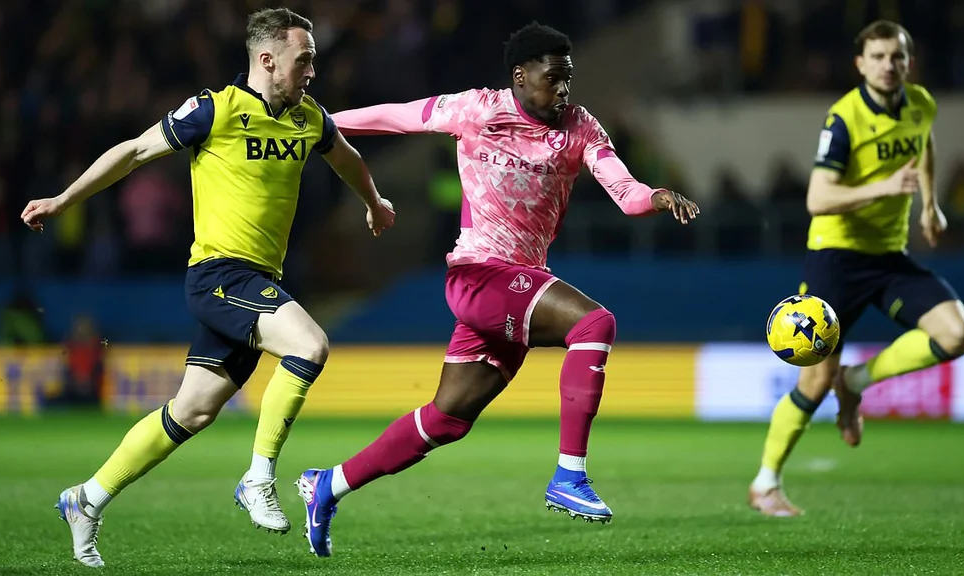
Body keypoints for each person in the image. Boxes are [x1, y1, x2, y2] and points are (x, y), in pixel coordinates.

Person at [294, 22, 699, 557]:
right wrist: (317, 123)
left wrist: (656, 194)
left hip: (517, 284)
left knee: (447, 419)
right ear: (520, 76)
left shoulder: (580, 127)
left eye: (569, 78)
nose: (563, 90)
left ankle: (329, 486)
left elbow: (623, 192)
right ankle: (569, 476)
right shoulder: (477, 110)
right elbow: (395, 117)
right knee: (595, 323)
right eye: (554, 78)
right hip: (478, 275)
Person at [21, 8, 395, 567]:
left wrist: (374, 201)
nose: (312, 72)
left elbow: (348, 158)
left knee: (193, 411)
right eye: (305, 60)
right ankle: (259, 476)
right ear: (268, 60)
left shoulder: (308, 118)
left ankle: (86, 499)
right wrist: (63, 200)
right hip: (219, 275)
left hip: (259, 279)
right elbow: (133, 151)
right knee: (309, 345)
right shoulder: (215, 109)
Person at [748, 20, 964, 517]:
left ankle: (854, 383)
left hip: (888, 256)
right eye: (877, 57)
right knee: (811, 381)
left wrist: (931, 206)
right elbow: (817, 197)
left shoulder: (921, 104)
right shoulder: (845, 118)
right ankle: (765, 483)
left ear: (908, 62)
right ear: (860, 64)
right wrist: (885, 188)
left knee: (959, 335)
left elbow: (925, 145)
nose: (888, 66)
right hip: (836, 257)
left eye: (896, 57)